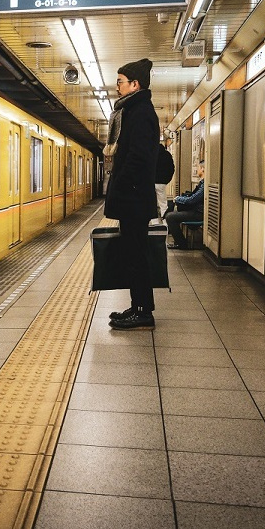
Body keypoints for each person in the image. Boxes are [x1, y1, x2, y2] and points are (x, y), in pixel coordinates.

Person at [103, 58, 160, 331]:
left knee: (137, 256)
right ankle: (138, 307)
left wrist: (122, 185)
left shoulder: (140, 113)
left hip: (134, 199)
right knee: (134, 255)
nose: (117, 87)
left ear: (134, 84)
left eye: (120, 82)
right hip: (134, 198)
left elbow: (137, 158)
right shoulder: (135, 111)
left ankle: (143, 312)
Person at [166, 160, 205, 249]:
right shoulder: (202, 183)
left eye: (198, 168)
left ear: (202, 169)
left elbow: (193, 200)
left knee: (170, 217)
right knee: (172, 209)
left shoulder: (204, 185)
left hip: (198, 213)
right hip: (195, 210)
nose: (197, 170)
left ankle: (181, 243)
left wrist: (178, 199)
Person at [152, 143, 175, 224]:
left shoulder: (152, 155)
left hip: (151, 182)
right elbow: (172, 169)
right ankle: (166, 223)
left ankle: (154, 223)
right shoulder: (167, 155)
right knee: (163, 203)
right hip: (162, 183)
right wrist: (166, 180)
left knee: (152, 203)